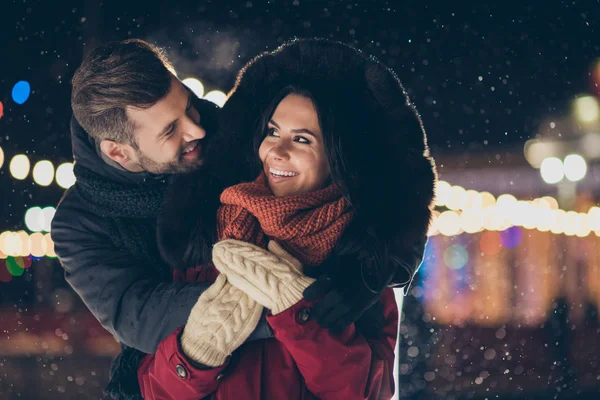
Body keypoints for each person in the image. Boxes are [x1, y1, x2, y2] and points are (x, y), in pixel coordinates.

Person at [51, 38, 429, 398]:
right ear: (119, 153)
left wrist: (367, 272)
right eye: (170, 129)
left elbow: (396, 187)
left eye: (189, 105)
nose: (198, 128)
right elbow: (138, 316)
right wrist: (284, 303)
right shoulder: (84, 224)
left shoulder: (231, 137)